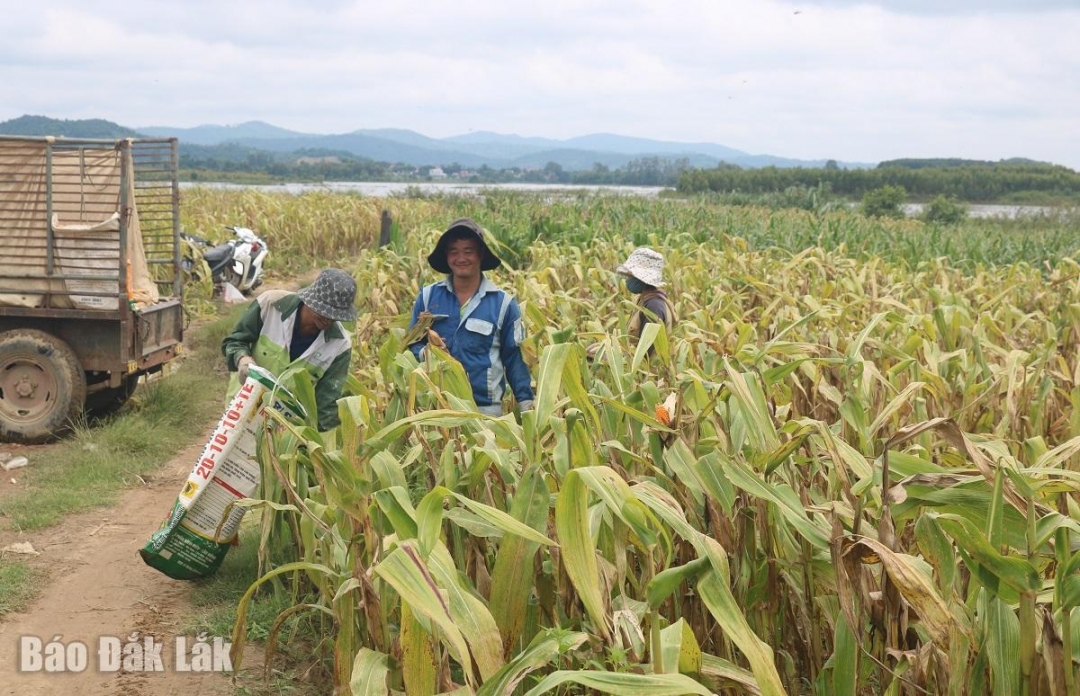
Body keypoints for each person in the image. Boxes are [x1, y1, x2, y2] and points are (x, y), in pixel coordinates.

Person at [408, 218, 534, 415]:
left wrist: (527, 406)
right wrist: (426, 353)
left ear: (480, 255)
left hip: (485, 411)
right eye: (454, 251)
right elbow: (410, 345)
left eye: (468, 251)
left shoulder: (504, 305)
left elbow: (515, 359)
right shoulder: (427, 298)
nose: (461, 258)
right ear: (447, 256)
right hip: (437, 408)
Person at [221, 268, 356, 431]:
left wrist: (321, 446)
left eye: (336, 314)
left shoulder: (340, 345)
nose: (329, 318)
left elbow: (326, 405)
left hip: (283, 427)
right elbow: (235, 341)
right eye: (324, 311)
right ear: (310, 299)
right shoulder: (270, 305)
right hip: (241, 409)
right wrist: (243, 359)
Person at [616, 247, 676, 339]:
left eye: (630, 275)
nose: (627, 280)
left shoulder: (653, 306)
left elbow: (646, 349)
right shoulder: (645, 300)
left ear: (640, 278)